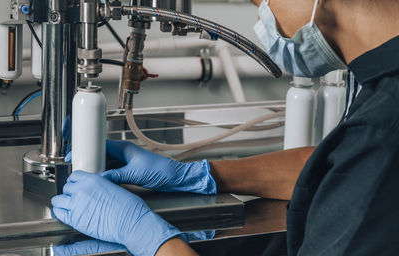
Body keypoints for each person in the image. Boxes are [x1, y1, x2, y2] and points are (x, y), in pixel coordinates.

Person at [52, 0, 399, 255]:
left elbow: (369, 163)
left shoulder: (382, 129)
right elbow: (342, 170)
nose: (265, 18)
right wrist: (202, 175)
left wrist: (155, 242)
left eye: (261, 2)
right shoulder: (382, 97)